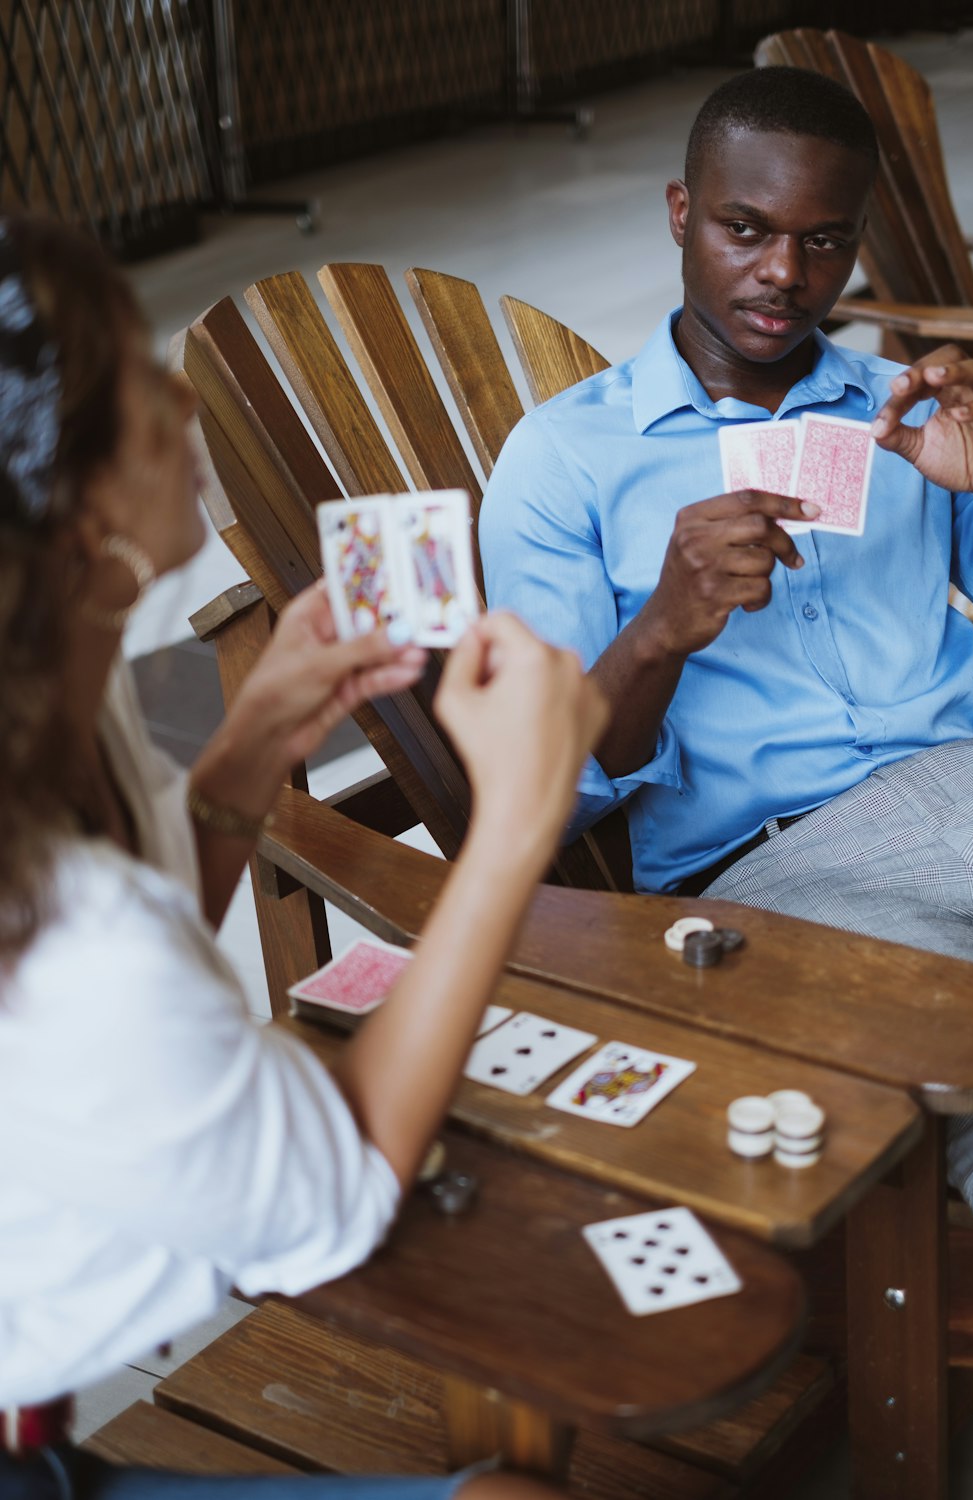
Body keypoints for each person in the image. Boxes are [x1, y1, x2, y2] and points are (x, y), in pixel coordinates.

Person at [0, 214, 607, 1500]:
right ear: (83, 510)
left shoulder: (61, 701)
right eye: (141, 383)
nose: (181, 396)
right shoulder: (84, 941)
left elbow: (143, 932)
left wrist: (266, 723)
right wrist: (513, 823)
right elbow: (345, 1188)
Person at [478, 68, 973, 1223]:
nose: (784, 274)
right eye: (745, 229)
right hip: (771, 875)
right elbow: (540, 792)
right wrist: (662, 627)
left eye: (823, 240)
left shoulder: (904, 414)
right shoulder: (566, 460)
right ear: (680, 212)